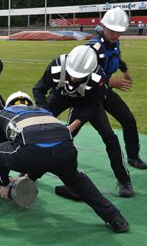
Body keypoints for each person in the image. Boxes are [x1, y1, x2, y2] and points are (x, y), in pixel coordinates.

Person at [0, 91, 129, 233]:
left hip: (30, 151)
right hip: (65, 149)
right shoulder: (44, 112)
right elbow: (47, 143)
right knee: (75, 179)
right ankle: (115, 218)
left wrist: (4, 182)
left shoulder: (3, 115)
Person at [33, 45, 133, 197]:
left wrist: (72, 126)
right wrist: (44, 115)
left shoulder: (99, 77)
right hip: (60, 97)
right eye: (72, 74)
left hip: (86, 103)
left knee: (109, 137)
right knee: (41, 132)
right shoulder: (56, 66)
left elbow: (92, 106)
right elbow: (38, 90)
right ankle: (31, 173)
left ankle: (124, 180)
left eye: (79, 76)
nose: (74, 78)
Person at [86, 7, 147, 169]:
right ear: (104, 27)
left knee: (128, 120)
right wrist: (110, 82)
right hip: (87, 97)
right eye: (112, 31)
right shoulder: (93, 47)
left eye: (119, 32)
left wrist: (125, 71)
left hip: (105, 92)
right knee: (72, 130)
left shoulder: (114, 43)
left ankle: (133, 157)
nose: (115, 35)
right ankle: (46, 160)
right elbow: (86, 75)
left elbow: (117, 58)